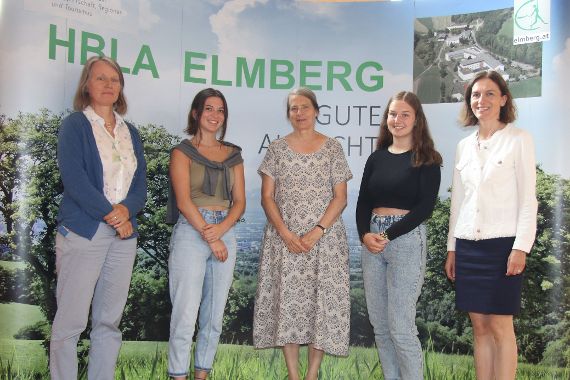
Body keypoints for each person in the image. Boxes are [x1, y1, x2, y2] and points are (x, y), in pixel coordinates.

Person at [50, 55, 147, 380]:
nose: (108, 84)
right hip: (84, 232)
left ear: (121, 88)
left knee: (108, 322)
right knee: (71, 322)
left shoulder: (130, 132)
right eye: (101, 78)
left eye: (114, 79)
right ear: (87, 86)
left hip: (122, 238)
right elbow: (74, 179)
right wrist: (112, 213)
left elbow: (139, 186)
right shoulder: (75, 125)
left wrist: (125, 211)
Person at [253, 87, 352, 380]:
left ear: (316, 111)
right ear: (288, 114)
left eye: (304, 107)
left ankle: (312, 375)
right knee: (289, 305)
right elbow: (267, 197)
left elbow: (341, 197)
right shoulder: (276, 149)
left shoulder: (333, 147)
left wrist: (317, 231)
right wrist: (285, 233)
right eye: (293, 108)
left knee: (318, 306)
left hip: (325, 241)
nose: (299, 113)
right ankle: (293, 375)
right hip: (285, 240)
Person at [445, 71, 537, 379]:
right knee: (480, 327)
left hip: (503, 246)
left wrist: (521, 247)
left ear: (503, 100)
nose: (481, 100)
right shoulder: (463, 146)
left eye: (489, 94)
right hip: (468, 245)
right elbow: (458, 201)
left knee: (500, 326)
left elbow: (528, 199)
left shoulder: (518, 139)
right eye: (475, 95)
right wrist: (452, 249)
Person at [356, 91, 442, 380]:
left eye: (405, 114)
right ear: (386, 119)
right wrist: (365, 234)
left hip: (405, 240)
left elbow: (425, 208)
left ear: (417, 119)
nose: (398, 119)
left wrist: (388, 234)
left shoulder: (427, 159)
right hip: (372, 243)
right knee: (380, 326)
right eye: (393, 114)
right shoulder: (376, 158)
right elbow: (363, 202)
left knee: (401, 327)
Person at [166, 88, 245, 380]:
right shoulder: (182, 152)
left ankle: (202, 375)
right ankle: (178, 375)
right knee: (185, 316)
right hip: (191, 232)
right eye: (209, 109)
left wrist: (221, 231)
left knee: (213, 318)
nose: (215, 116)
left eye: (220, 110)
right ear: (196, 114)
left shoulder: (233, 154)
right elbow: (184, 201)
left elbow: (240, 202)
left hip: (226, 231)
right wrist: (211, 237)